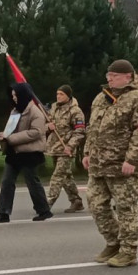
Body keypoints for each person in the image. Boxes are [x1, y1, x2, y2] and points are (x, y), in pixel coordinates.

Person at [83, 59, 138, 268]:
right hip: (99, 164)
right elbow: (92, 128)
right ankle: (113, 242)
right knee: (96, 204)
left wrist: (132, 159)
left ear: (128, 77)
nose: (110, 78)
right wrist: (87, 152)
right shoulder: (101, 98)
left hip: (123, 165)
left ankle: (129, 250)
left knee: (125, 207)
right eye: (109, 75)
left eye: (114, 75)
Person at [0, 83, 53, 223]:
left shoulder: (36, 112)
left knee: (32, 182)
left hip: (30, 153)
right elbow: (11, 129)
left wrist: (11, 138)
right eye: (12, 95)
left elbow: (36, 132)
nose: (14, 98)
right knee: (7, 181)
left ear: (23, 95)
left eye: (16, 95)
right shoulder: (15, 111)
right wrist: (4, 135)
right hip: (14, 152)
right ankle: (3, 212)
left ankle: (44, 210)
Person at [45, 85, 86, 213]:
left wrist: (70, 146)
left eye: (61, 94)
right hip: (55, 147)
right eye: (57, 94)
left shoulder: (75, 111)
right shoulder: (54, 108)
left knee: (58, 176)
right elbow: (46, 123)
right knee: (66, 177)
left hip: (66, 149)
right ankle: (76, 200)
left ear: (68, 96)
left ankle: (47, 203)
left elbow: (80, 131)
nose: (58, 96)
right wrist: (48, 127)